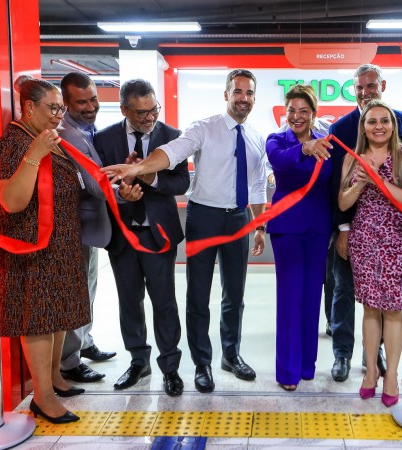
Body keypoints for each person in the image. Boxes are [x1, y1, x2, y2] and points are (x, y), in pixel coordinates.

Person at [101, 69, 268, 394]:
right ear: (226, 94)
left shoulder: (256, 138)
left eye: (249, 93)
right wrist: (138, 168)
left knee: (234, 295)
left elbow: (258, 185)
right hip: (203, 218)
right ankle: (202, 363)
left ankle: (231, 355)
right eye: (238, 91)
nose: (243, 98)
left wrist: (259, 226)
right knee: (198, 296)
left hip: (239, 219)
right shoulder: (203, 128)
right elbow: (173, 153)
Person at [0, 77, 88, 424]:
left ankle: (56, 380)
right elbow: (12, 202)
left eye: (61, 108)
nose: (58, 115)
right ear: (29, 108)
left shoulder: (45, 137)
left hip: (58, 245)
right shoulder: (16, 143)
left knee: (58, 314)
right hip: (32, 248)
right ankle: (42, 397)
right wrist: (35, 155)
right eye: (53, 108)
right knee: (39, 320)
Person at [94, 79, 189, 396]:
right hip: (122, 237)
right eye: (141, 113)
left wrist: (150, 176)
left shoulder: (172, 136)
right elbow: (97, 184)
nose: (149, 118)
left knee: (164, 303)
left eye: (153, 110)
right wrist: (122, 195)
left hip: (158, 236)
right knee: (129, 302)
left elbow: (181, 184)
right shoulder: (105, 138)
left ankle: (170, 367)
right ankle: (138, 361)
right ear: (124, 109)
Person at [328, 64, 402, 383]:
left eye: (371, 85)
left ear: (383, 85)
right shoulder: (339, 128)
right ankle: (341, 354)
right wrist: (343, 229)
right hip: (354, 227)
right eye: (359, 87)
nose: (366, 92)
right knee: (344, 291)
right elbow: (334, 188)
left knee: (382, 301)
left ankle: (375, 356)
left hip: (394, 233)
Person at [338, 100, 402, 407]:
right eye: (372, 121)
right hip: (365, 241)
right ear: (364, 127)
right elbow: (344, 203)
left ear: (393, 124)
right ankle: (370, 372)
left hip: (398, 241)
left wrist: (377, 179)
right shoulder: (352, 158)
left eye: (384, 120)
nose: (379, 126)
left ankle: (391, 376)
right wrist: (359, 183)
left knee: (393, 311)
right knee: (370, 309)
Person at [266, 85, 334, 392]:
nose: (297, 116)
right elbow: (279, 162)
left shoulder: (327, 143)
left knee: (312, 297)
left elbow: (333, 181)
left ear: (314, 114)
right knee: (291, 297)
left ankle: (308, 365)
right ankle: (288, 371)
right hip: (288, 230)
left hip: (319, 228)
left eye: (303, 111)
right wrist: (304, 149)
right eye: (291, 110)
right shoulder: (276, 141)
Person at [57, 72, 116, 386]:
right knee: (77, 293)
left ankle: (84, 340)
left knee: (89, 286)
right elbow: (95, 183)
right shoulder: (67, 134)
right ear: (65, 103)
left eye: (93, 98)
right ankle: (69, 361)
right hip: (73, 228)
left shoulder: (88, 130)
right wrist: (124, 183)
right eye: (81, 102)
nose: (91, 106)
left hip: (90, 226)